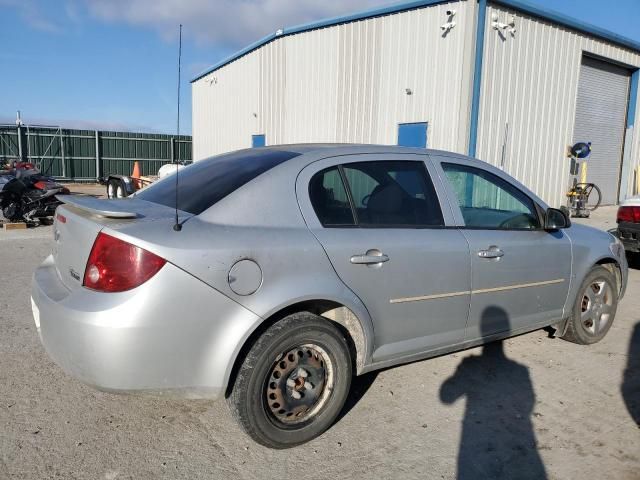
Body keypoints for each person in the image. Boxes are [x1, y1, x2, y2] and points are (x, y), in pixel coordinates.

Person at [440, 306, 547, 479]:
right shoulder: (521, 371)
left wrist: (461, 372)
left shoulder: (470, 364)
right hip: (526, 449)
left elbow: (445, 396)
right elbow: (530, 403)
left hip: (475, 447)